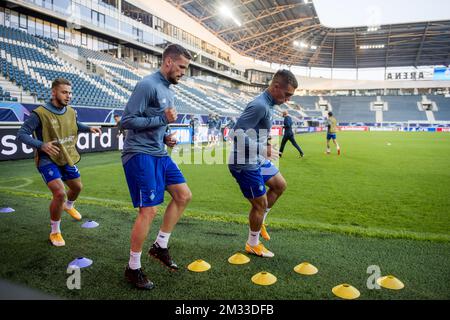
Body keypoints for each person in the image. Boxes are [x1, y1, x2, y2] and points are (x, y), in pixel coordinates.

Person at [121, 44, 193, 290]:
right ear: (168, 62)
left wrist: (165, 135)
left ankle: (160, 246)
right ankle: (132, 267)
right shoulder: (147, 84)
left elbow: (155, 122)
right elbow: (127, 121)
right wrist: (162, 119)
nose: (184, 72)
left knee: (183, 196)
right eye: (182, 67)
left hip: (158, 152)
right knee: (149, 211)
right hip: (139, 154)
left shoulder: (167, 89)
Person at [17, 78, 102, 247]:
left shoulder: (70, 111)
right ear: (53, 92)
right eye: (64, 92)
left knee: (77, 188)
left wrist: (88, 128)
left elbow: (74, 124)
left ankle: (69, 206)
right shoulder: (39, 113)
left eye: (70, 93)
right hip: (47, 159)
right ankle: (55, 231)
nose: (68, 96)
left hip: (66, 156)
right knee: (60, 193)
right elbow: (21, 134)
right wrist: (42, 145)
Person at [228, 70, 298, 258]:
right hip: (243, 163)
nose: (288, 100)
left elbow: (256, 130)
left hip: (256, 159)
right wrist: (262, 149)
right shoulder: (259, 105)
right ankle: (252, 243)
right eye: (287, 94)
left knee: (280, 185)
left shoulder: (269, 103)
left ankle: (261, 222)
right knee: (260, 204)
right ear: (276, 87)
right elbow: (234, 134)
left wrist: (265, 145)